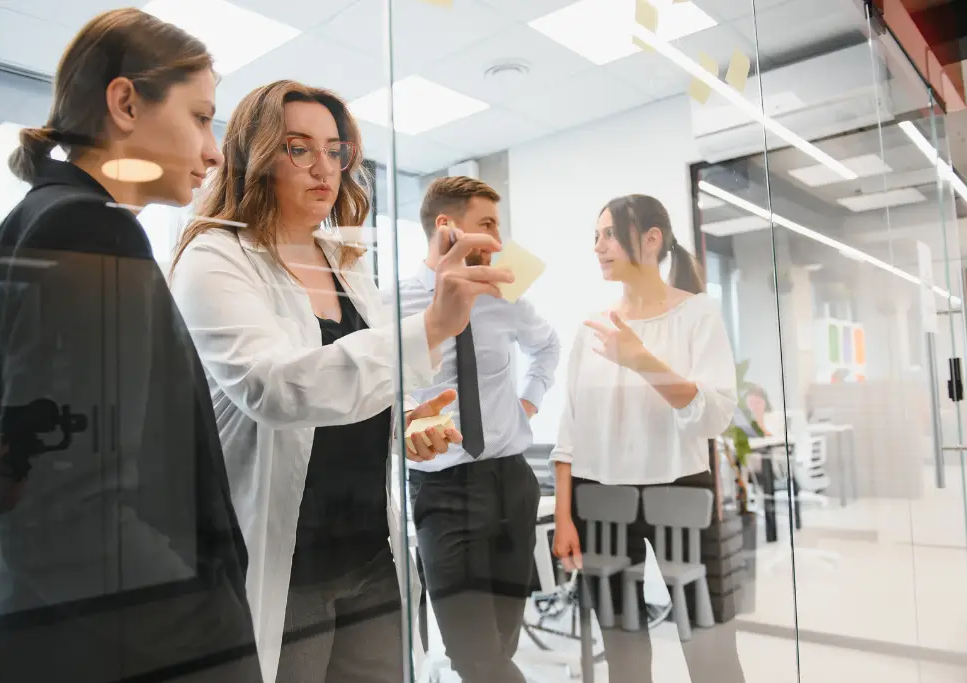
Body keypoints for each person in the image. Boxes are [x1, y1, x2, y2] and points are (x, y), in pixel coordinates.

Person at [168, 80, 512, 683]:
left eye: (336, 150)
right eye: (299, 149)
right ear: (255, 155)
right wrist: (431, 325)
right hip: (289, 564)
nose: (323, 168)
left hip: (367, 553)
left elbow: (359, 387)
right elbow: (275, 388)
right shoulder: (215, 256)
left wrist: (404, 423)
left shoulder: (346, 266)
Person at [0, 9, 261, 682]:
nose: (213, 152)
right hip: (123, 650)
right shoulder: (91, 233)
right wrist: (218, 635)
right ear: (125, 102)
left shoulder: (41, 223)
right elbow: (72, 513)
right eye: (201, 117)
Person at [550, 194, 743, 682]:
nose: (598, 247)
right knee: (624, 652)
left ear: (651, 239)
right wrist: (563, 515)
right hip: (599, 499)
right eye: (595, 237)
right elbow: (569, 429)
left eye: (609, 234)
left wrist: (640, 359)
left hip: (678, 489)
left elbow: (714, 413)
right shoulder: (591, 329)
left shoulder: (697, 314)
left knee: (708, 642)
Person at [387, 176, 560, 683]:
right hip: (443, 490)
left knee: (501, 643)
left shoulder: (501, 294)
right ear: (447, 227)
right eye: (487, 225)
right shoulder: (391, 304)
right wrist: (405, 423)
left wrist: (528, 400)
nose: (498, 240)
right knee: (476, 658)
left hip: (511, 481)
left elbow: (547, 347)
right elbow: (378, 389)